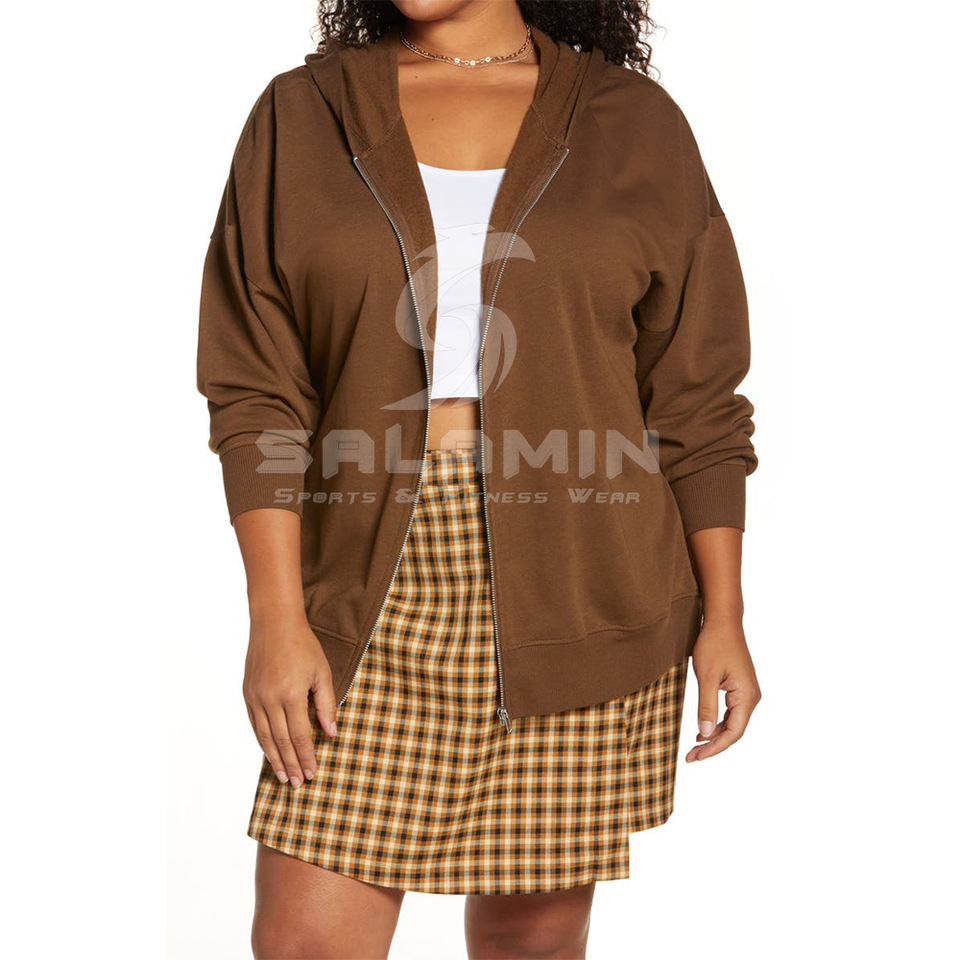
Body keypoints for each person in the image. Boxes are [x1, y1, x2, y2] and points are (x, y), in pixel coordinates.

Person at [196, 1, 762, 956]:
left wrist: (726, 616)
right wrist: (276, 618)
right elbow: (256, 389)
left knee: (531, 941)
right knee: (305, 940)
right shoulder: (303, 114)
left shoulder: (636, 123)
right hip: (365, 584)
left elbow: (696, 399)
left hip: (582, 576)